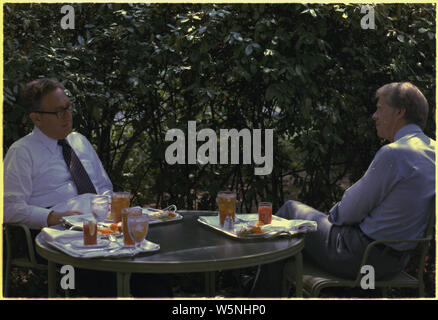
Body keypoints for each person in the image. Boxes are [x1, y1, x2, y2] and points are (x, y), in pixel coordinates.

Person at [249, 82, 435, 297]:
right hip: (396, 260)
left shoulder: (395, 153)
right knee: (294, 235)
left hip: (361, 256)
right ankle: (267, 291)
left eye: (380, 108)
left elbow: (347, 213)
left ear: (400, 112)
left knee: (290, 211)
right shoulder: (432, 151)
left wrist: (333, 215)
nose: (374, 116)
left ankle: (257, 298)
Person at [4, 78, 173, 298]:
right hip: (57, 236)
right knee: (106, 278)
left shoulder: (79, 141)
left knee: (153, 269)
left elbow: (104, 188)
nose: (67, 116)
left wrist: (112, 211)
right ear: (36, 118)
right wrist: (53, 217)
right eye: (58, 112)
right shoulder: (22, 152)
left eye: (68, 107)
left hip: (102, 231)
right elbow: (7, 207)